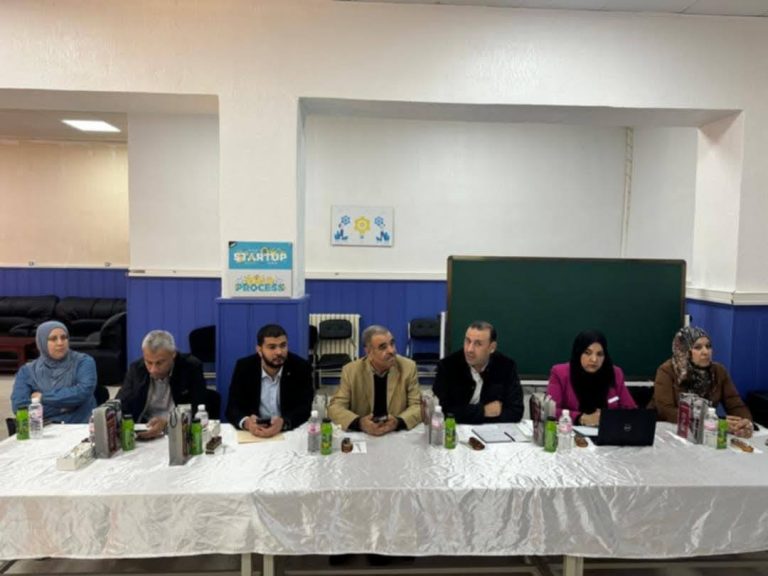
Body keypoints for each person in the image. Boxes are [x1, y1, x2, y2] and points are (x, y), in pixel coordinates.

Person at [652, 326, 752, 438]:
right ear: (684, 351)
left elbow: (735, 405)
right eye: (698, 347)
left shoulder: (718, 371)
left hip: (705, 434)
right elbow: (666, 411)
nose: (706, 352)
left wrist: (745, 423)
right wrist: (710, 422)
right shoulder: (667, 371)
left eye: (708, 346)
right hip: (666, 432)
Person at [328, 325, 421, 434]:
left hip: (396, 433)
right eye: (383, 347)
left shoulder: (408, 367)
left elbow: (417, 405)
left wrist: (398, 422)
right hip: (363, 435)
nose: (392, 350)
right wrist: (360, 423)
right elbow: (335, 407)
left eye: (392, 343)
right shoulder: (351, 371)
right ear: (369, 352)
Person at [226, 324, 313, 437]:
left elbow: (305, 408)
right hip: (253, 434)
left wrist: (284, 423)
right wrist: (247, 423)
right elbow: (232, 407)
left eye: (283, 345)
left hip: (287, 433)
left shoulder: (301, 367)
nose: (279, 352)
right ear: (259, 350)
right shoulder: (244, 367)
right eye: (272, 347)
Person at [116, 329, 206, 439]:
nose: (153, 369)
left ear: (173, 354)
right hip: (144, 429)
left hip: (179, 432)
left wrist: (168, 423)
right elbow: (122, 403)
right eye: (149, 362)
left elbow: (197, 408)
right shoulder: (136, 369)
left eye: (159, 363)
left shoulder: (191, 367)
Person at [432, 320, 523, 424]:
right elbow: (443, 411)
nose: (469, 349)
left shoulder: (506, 367)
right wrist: (484, 411)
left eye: (478, 344)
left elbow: (516, 411)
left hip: (494, 431)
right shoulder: (448, 366)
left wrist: (465, 413)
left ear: (492, 348)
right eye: (467, 341)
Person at [11, 320, 97, 423]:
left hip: (80, 426)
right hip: (42, 428)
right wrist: (66, 407)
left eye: (64, 337)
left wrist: (43, 397)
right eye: (53, 339)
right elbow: (19, 407)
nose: (60, 343)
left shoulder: (84, 362)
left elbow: (83, 392)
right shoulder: (27, 371)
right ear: (41, 342)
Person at [547, 330, 636, 426]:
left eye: (599, 354)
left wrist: (608, 417)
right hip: (571, 431)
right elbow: (550, 411)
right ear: (578, 352)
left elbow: (631, 410)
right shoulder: (560, 373)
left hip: (608, 431)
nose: (594, 359)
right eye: (587, 353)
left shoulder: (615, 373)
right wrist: (580, 418)